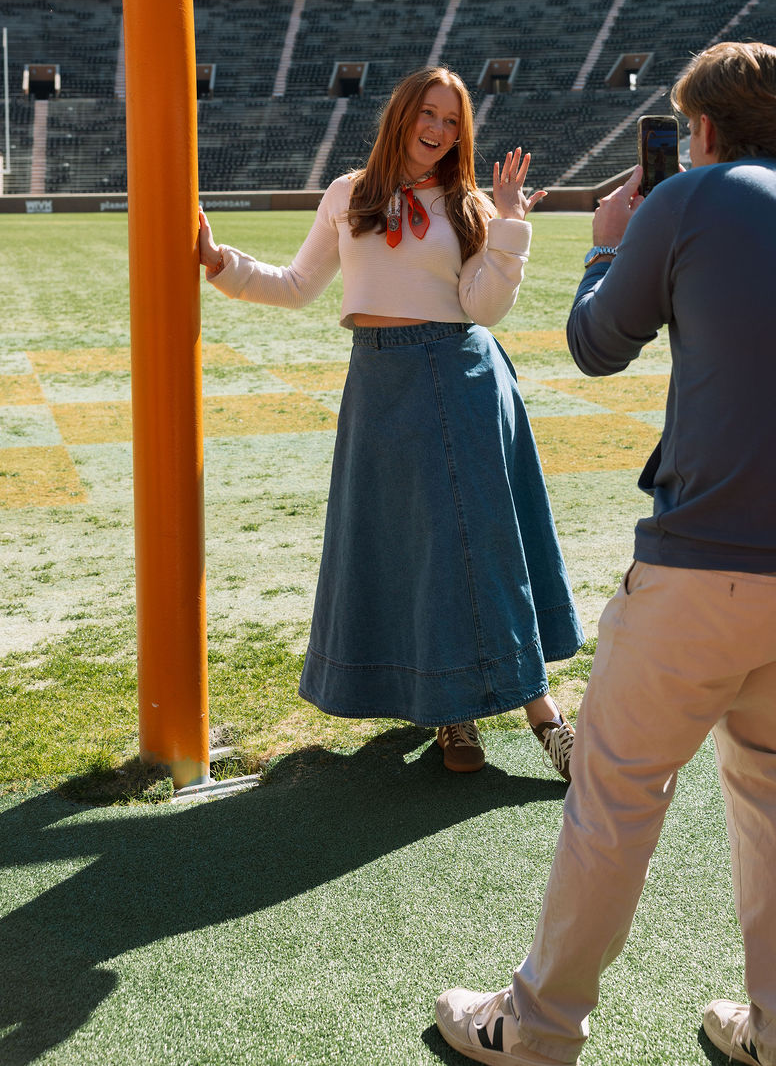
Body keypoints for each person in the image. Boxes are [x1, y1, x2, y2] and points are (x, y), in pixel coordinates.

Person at [436, 41, 776, 1065]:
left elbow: (595, 343)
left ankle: (535, 1026)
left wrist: (610, 241)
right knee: (770, 772)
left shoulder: (684, 202)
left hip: (709, 570)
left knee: (615, 792)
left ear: (698, 131)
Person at [198, 65, 582, 779]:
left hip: (461, 377)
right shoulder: (348, 193)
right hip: (378, 383)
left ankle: (547, 717)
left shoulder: (469, 204)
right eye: (428, 114)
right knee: (416, 550)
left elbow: (486, 307)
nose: (438, 131)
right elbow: (297, 285)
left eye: (452, 122)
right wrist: (220, 262)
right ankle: (451, 715)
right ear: (402, 114)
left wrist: (510, 224)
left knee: (481, 546)